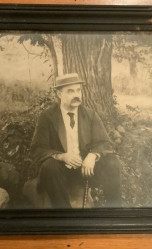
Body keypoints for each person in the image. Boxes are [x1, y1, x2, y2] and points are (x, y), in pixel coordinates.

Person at [30, 73, 122, 208]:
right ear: (59, 94)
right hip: (60, 172)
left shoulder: (90, 115)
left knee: (113, 162)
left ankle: (114, 211)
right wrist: (61, 156)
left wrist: (92, 155)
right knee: (50, 167)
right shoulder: (47, 117)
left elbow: (105, 143)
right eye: (70, 91)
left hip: (85, 170)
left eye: (78, 90)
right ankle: (65, 216)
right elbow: (37, 149)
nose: (76, 95)